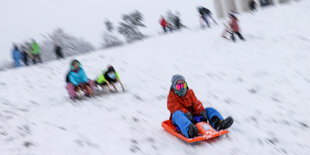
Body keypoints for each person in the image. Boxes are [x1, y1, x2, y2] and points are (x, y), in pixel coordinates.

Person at [167, 75, 233, 138]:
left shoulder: (189, 92)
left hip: (192, 115)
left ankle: (218, 123)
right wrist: (186, 113)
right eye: (179, 86)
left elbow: (196, 103)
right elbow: (174, 107)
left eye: (183, 85)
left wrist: (201, 111)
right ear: (174, 87)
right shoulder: (172, 96)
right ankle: (189, 130)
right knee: (177, 114)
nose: (182, 88)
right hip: (181, 118)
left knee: (209, 109)